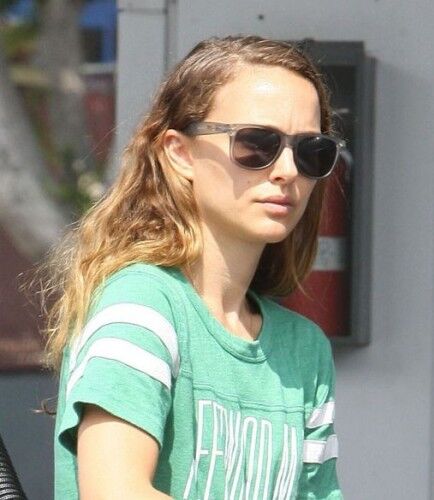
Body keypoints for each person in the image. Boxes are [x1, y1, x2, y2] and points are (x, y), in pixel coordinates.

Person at [44, 35, 345, 499]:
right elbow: (114, 491)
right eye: (256, 143)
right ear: (179, 153)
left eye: (311, 151)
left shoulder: (305, 351)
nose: (287, 170)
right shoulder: (142, 305)